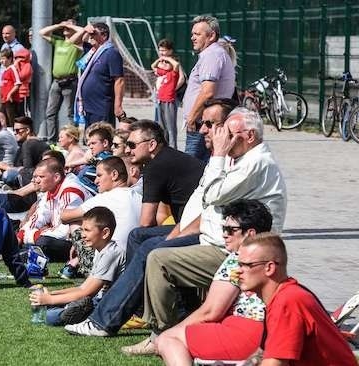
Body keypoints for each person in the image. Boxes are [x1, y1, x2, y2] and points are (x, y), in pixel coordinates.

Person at [66, 102, 287, 338]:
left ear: (250, 136)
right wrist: (177, 231)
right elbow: (201, 206)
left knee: (154, 253)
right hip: (213, 236)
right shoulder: (239, 159)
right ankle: (133, 307)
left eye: (214, 126)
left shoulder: (253, 162)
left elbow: (209, 198)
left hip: (231, 248)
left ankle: (152, 330)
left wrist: (219, 154)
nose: (207, 131)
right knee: (139, 237)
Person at [127, 199, 273, 360]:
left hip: (244, 334)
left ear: (250, 234)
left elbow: (211, 311)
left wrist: (172, 332)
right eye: (223, 228)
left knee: (168, 341)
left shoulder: (238, 261)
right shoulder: (271, 260)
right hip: (266, 332)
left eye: (231, 230)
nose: (224, 234)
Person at [237, 233, 357, 365]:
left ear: (269, 268)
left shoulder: (287, 302)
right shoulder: (285, 294)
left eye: (246, 265)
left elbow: (274, 363)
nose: (238, 271)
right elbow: (263, 353)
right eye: (239, 264)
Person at [30, 207, 126, 326]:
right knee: (53, 306)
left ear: (105, 233)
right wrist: (52, 294)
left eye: (87, 230)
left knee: (49, 316)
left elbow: (87, 292)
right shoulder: (100, 251)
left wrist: (50, 300)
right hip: (96, 299)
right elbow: (83, 288)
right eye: (82, 230)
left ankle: (77, 312)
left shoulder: (111, 254)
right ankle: (73, 309)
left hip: (109, 304)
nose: (83, 235)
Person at [182, 15, 236, 162]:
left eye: (197, 34)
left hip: (202, 125)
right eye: (192, 34)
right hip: (205, 123)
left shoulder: (211, 55)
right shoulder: (213, 54)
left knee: (190, 169)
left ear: (211, 36)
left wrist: (192, 118)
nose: (193, 37)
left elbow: (208, 92)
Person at [17, 158, 91, 262]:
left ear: (56, 177)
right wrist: (20, 236)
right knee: (16, 232)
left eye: (41, 177)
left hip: (76, 241)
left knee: (43, 242)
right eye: (36, 177)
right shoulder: (50, 189)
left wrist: (32, 235)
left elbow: (64, 231)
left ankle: (26, 251)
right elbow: (38, 217)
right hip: (53, 235)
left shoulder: (71, 191)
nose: (37, 180)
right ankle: (25, 250)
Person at [40, 20, 86, 142]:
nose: (66, 28)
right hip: (56, 82)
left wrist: (72, 26)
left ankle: (72, 140)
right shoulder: (58, 41)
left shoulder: (77, 44)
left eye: (69, 27)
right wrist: (59, 25)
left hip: (69, 82)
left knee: (70, 114)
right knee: (50, 112)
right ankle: (52, 140)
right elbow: (42, 32)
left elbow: (82, 30)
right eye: (64, 26)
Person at [75, 22, 124, 128]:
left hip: (101, 106)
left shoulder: (111, 53)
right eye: (90, 34)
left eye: (94, 34)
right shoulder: (92, 51)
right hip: (88, 106)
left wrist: (118, 105)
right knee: (91, 138)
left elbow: (119, 80)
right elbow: (74, 41)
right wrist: (84, 30)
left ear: (104, 35)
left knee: (102, 136)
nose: (91, 37)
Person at [0, 116, 49, 188]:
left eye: (17, 130)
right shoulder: (40, 142)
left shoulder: (28, 144)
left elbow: (27, 170)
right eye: (14, 130)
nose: (15, 133)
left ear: (27, 130)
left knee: (8, 175)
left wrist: (7, 167)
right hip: (41, 177)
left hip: (33, 180)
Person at [151, 39, 183, 149]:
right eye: (160, 51)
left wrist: (166, 58)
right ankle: (164, 146)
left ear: (170, 51)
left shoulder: (174, 70)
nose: (162, 53)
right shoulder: (163, 69)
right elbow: (153, 66)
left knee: (170, 127)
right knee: (161, 125)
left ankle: (173, 147)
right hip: (160, 98)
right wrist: (161, 59)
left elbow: (176, 65)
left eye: (164, 50)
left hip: (169, 100)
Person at [69, 122, 113, 194]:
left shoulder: (105, 158)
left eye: (93, 143)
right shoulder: (98, 157)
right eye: (89, 144)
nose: (90, 147)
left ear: (105, 143)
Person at [0, 48, 23, 126]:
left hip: (11, 100)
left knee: (11, 119)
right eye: (0, 59)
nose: (1, 61)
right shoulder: (5, 70)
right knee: (4, 119)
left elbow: (18, 83)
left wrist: (10, 94)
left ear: (10, 59)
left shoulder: (12, 69)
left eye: (3, 59)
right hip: (4, 100)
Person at [14, 48, 33, 117]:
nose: (19, 59)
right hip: (16, 92)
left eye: (22, 57)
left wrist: (16, 66)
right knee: (17, 111)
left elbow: (20, 77)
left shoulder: (27, 65)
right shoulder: (17, 64)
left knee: (22, 112)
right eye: (17, 57)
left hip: (23, 93)